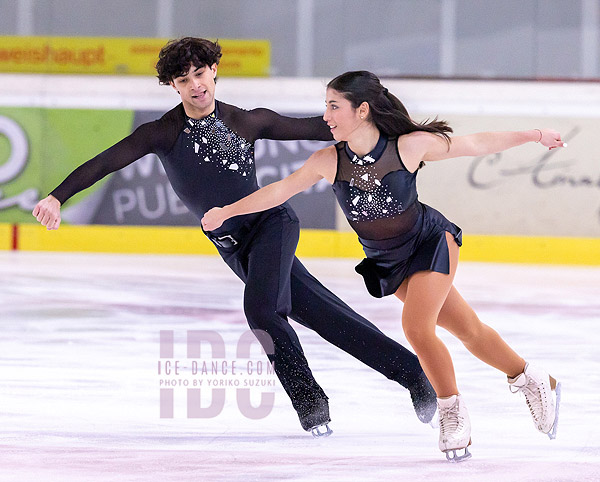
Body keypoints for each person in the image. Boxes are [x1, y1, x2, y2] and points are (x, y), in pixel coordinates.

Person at [32, 39, 437, 437]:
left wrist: (374, 117)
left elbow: (322, 128)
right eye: (184, 78)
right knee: (323, 315)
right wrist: (56, 196)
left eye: (201, 73)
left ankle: (310, 403)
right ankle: (412, 373)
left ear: (214, 71)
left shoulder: (245, 121)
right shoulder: (162, 133)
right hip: (233, 248)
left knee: (261, 313)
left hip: (271, 226)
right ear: (172, 85)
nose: (195, 85)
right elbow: (106, 161)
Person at [201, 70, 564, 460]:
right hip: (390, 262)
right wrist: (227, 211)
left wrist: (534, 135)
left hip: (429, 243)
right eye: (326, 105)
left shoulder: (407, 147)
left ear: (362, 110)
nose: (326, 115)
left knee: (416, 328)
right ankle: (531, 378)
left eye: (334, 106)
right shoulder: (328, 161)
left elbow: (475, 143)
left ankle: (452, 413)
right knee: (470, 330)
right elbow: (279, 190)